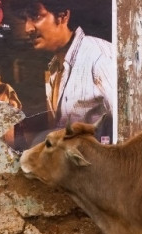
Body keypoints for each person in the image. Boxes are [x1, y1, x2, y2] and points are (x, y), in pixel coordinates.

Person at [19, 0, 115, 146]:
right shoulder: (54, 69)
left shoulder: (99, 56)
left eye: (35, 16)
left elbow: (129, 127)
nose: (28, 28)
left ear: (63, 16)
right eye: (25, 19)